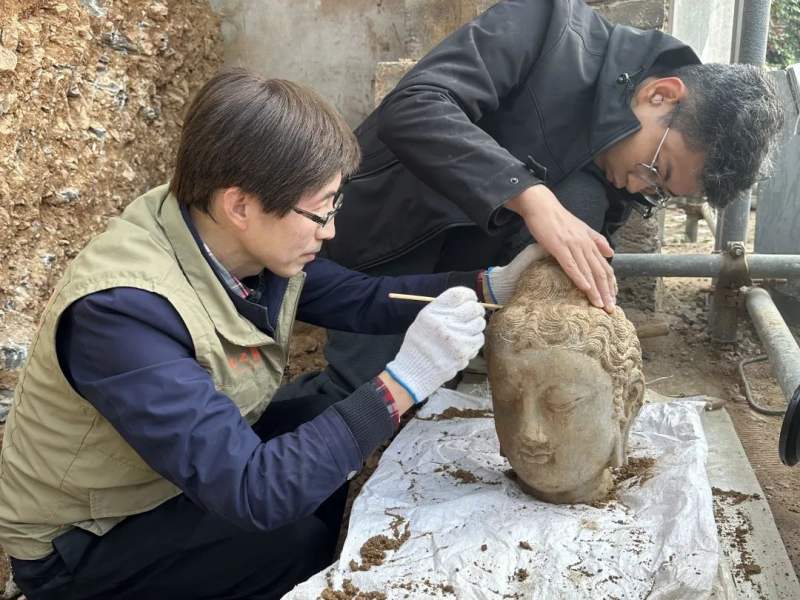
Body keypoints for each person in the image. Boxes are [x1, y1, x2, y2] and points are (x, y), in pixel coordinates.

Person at [0, 70, 539, 600]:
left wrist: (491, 285)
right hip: (86, 541)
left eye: (334, 205)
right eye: (320, 211)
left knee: (318, 427)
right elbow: (254, 492)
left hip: (160, 477)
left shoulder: (221, 231)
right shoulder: (123, 316)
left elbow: (356, 296)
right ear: (241, 205)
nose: (330, 230)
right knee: (290, 540)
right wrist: (405, 381)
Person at [311, 0, 784, 402]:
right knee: (361, 400)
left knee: (428, 395)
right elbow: (415, 107)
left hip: (467, 278)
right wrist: (530, 197)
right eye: (656, 169)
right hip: (380, 238)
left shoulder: (619, 168)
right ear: (660, 95)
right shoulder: (548, 26)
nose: (640, 187)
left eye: (660, 192)